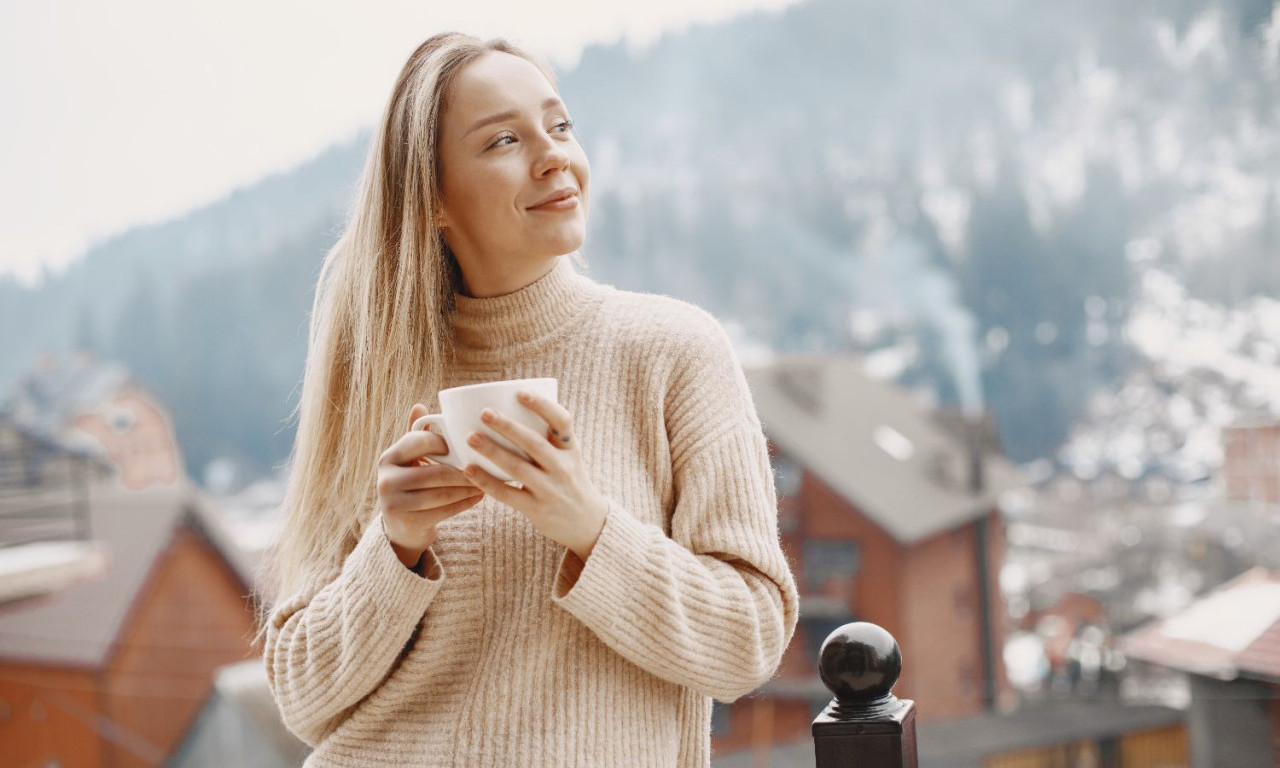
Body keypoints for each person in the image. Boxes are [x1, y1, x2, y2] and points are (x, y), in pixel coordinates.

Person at [261, 30, 799, 768]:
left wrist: (589, 525)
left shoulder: (674, 351)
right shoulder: (377, 375)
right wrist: (394, 546)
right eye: (504, 140)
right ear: (433, 201)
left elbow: (750, 641)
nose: (554, 156)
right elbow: (301, 695)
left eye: (560, 125)